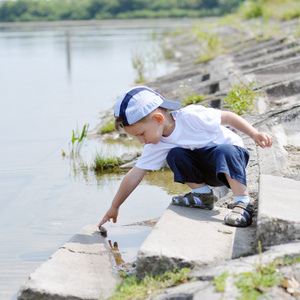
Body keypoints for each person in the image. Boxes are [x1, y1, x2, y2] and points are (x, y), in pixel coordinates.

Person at [98, 86, 273, 228]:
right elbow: (134, 175)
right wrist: (115, 206)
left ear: (158, 119)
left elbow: (227, 117)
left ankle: (242, 202)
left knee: (224, 151)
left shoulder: (190, 116)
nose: (141, 141)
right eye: (137, 137)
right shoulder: (157, 144)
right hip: (206, 169)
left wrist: (254, 133)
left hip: (230, 162)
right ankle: (203, 195)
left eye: (141, 134)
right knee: (175, 154)